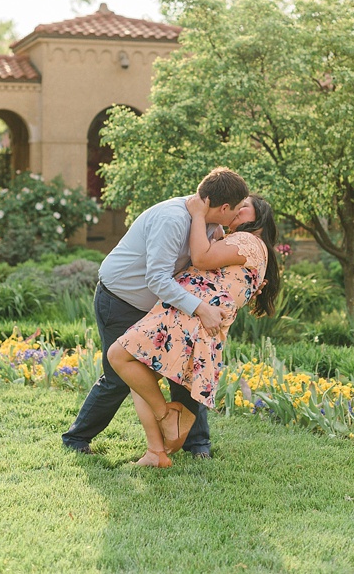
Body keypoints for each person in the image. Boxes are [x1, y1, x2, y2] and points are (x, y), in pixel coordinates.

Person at [61, 167, 249, 457]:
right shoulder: (171, 220)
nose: (237, 216)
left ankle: (197, 445)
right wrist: (200, 309)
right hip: (120, 300)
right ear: (224, 207)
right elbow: (157, 279)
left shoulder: (209, 222)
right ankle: (76, 438)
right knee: (119, 377)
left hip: (163, 305)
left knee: (185, 369)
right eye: (236, 210)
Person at [107, 194, 279, 467]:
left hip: (191, 316)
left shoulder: (248, 241)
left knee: (118, 355)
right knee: (139, 374)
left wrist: (199, 216)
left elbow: (200, 258)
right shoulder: (237, 241)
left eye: (243, 207)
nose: (235, 210)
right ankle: (156, 453)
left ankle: (167, 418)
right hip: (190, 315)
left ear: (260, 217)